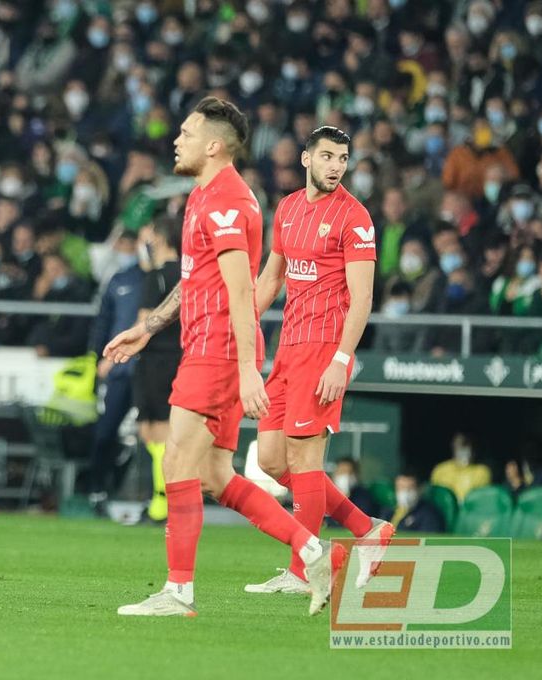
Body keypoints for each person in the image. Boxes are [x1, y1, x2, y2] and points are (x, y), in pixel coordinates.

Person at [104, 97, 342, 618]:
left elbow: (241, 292)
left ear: (213, 146)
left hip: (218, 350)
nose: (177, 141)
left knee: (177, 461)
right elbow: (194, 280)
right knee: (214, 475)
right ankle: (313, 551)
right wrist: (147, 327)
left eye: (187, 134)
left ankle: (178, 592)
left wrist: (247, 371)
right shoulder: (202, 195)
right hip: (210, 347)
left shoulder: (228, 203)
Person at [248, 126, 394, 595]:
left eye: (343, 158)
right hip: (288, 348)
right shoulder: (288, 208)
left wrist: (341, 360)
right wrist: (238, 327)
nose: (336, 166)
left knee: (305, 460)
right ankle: (367, 529)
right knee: (272, 460)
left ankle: (303, 571)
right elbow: (271, 279)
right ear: (306, 158)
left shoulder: (355, 217)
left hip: (324, 349)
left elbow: (363, 298)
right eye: (328, 156)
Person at [132, 216, 183, 521]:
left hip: (155, 359)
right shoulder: (186, 273)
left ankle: (163, 503)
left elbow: (144, 321)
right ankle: (159, 497)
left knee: (157, 431)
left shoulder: (156, 277)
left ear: (159, 238)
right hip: (178, 356)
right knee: (156, 431)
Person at [87, 232, 143, 506]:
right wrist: (97, 355)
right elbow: (103, 320)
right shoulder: (118, 280)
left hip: (149, 370)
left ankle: (154, 496)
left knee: (152, 436)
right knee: (105, 431)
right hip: (118, 370)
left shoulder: (156, 279)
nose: (122, 249)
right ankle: (98, 489)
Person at [430, 432, 491, 503]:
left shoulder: (482, 471)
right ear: (453, 446)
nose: (464, 449)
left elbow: (480, 501)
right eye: (460, 445)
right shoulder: (440, 470)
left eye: (467, 445)